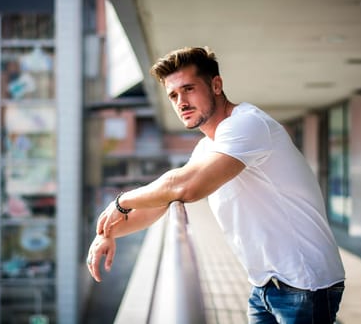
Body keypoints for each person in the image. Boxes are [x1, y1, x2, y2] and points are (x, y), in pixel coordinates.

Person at [86, 46, 345, 324]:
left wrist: (122, 201)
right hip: (265, 286)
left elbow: (186, 187)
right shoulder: (208, 146)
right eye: (173, 95)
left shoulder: (247, 124)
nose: (181, 102)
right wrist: (108, 231)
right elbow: (161, 200)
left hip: (306, 285)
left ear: (216, 85)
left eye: (188, 89)